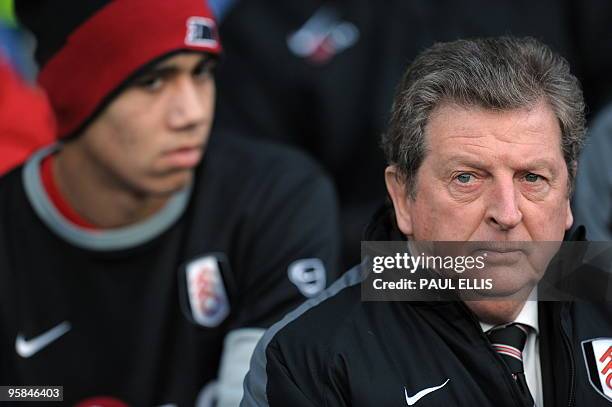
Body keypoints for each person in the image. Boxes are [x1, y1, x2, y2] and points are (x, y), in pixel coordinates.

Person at [0, 0, 340, 405]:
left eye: (202, 72)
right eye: (153, 81)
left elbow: (262, 394)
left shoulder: (274, 198)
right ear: (76, 96)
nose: (192, 113)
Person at [242, 37, 612, 406]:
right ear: (402, 197)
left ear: (567, 196)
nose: (507, 213)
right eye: (466, 178)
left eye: (532, 178)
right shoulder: (308, 357)